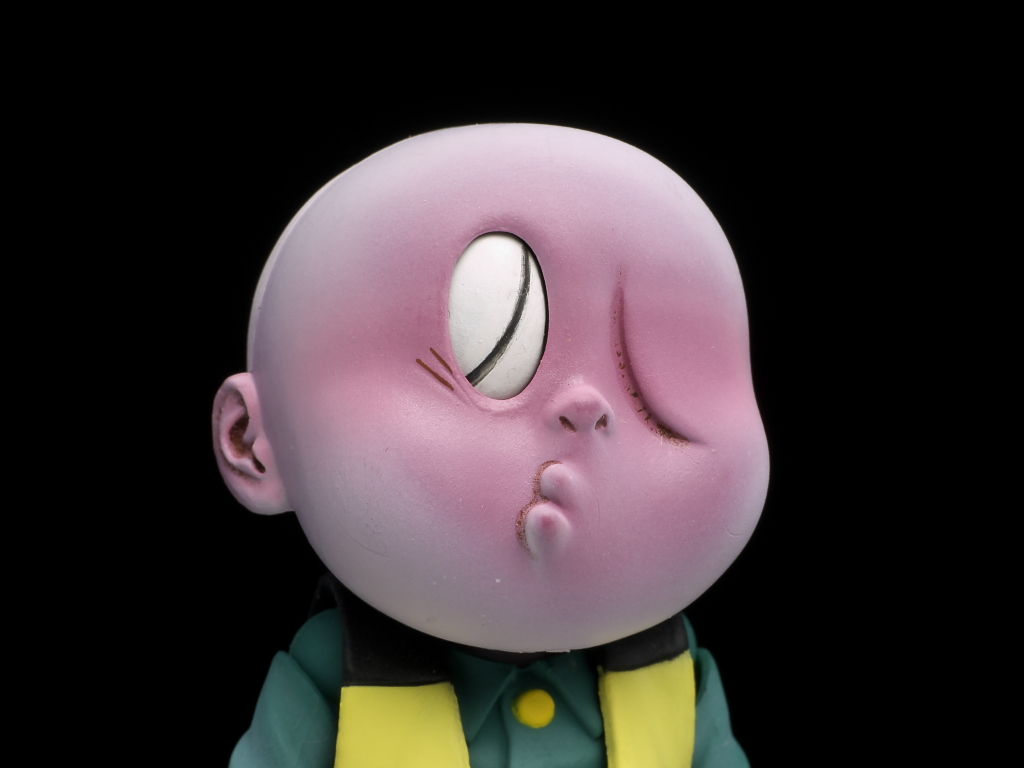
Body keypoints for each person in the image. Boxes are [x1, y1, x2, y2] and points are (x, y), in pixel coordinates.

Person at [212, 123, 769, 767]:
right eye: (497, 347)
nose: (590, 405)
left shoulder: (672, 666)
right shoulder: (332, 676)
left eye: (662, 380)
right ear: (251, 443)